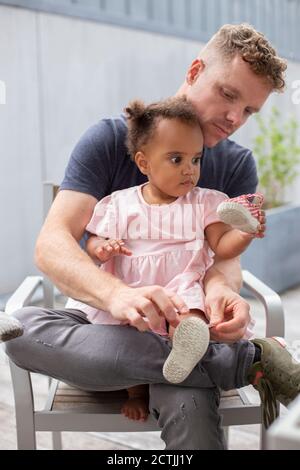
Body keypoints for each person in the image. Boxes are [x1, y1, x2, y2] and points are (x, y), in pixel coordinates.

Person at [6, 24, 295, 449]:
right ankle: (246, 362)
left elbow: (223, 262)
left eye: (250, 110)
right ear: (195, 70)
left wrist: (220, 293)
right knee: (23, 330)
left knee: (192, 406)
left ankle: (207, 359)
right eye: (229, 94)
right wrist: (117, 295)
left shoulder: (235, 167)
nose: (236, 118)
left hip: (183, 327)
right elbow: (51, 244)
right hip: (102, 335)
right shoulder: (109, 140)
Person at [67, 96, 266, 421]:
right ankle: (137, 390)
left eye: (196, 159)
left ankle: (188, 346)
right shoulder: (121, 204)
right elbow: (92, 243)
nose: (190, 170)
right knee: (128, 332)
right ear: (144, 163)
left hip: (182, 283)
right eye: (177, 159)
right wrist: (103, 249)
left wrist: (245, 231)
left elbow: (223, 248)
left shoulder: (204, 203)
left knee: (192, 316)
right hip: (133, 287)